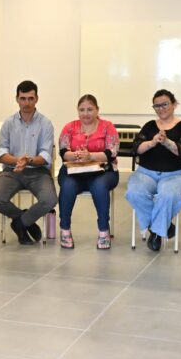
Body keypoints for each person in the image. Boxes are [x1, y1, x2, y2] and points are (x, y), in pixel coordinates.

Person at [126, 90, 181, 252]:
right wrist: (152, 142)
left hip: (178, 174)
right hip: (146, 173)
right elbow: (136, 148)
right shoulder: (149, 126)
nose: (161, 108)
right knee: (134, 193)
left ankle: (156, 233)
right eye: (156, 106)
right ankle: (163, 225)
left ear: (174, 104)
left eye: (164, 104)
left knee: (167, 195)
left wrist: (166, 142)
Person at [0, 80, 57, 245]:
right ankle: (25, 220)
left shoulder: (45, 124)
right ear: (17, 99)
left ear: (37, 99)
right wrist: (17, 161)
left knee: (50, 200)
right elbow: (1, 152)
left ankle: (20, 224)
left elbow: (45, 155)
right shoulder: (8, 123)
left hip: (38, 172)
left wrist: (28, 160)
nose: (27, 103)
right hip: (12, 171)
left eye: (30, 98)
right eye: (23, 98)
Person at [57, 94, 121, 249]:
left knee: (99, 187)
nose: (85, 113)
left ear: (97, 110)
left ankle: (104, 231)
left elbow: (112, 153)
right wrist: (77, 156)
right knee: (67, 186)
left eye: (90, 109)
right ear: (77, 110)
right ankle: (65, 230)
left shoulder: (107, 127)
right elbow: (63, 152)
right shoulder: (69, 127)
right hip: (74, 171)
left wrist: (90, 156)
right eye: (82, 110)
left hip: (103, 172)